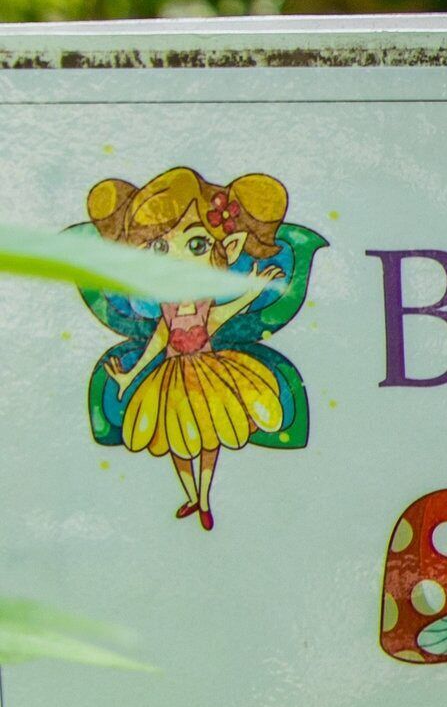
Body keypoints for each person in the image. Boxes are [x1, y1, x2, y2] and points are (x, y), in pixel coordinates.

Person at [84, 167, 317, 530]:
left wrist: (254, 288)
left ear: (229, 248)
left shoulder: (204, 300)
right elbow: (159, 340)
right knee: (176, 440)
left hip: (209, 372)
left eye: (196, 244)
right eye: (159, 247)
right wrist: (129, 376)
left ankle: (205, 496)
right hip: (172, 378)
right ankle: (190, 494)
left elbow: (223, 314)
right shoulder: (168, 306)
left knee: (210, 435)